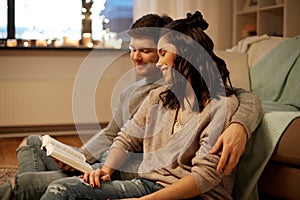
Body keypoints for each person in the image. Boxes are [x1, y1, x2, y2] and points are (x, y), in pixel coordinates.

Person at [0, 13, 262, 200]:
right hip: (137, 177)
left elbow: (206, 175)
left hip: (160, 186)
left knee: (44, 188)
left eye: (157, 53)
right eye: (133, 49)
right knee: (36, 148)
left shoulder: (221, 105)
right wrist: (101, 168)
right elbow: (122, 136)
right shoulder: (160, 95)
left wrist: (239, 125)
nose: (138, 57)